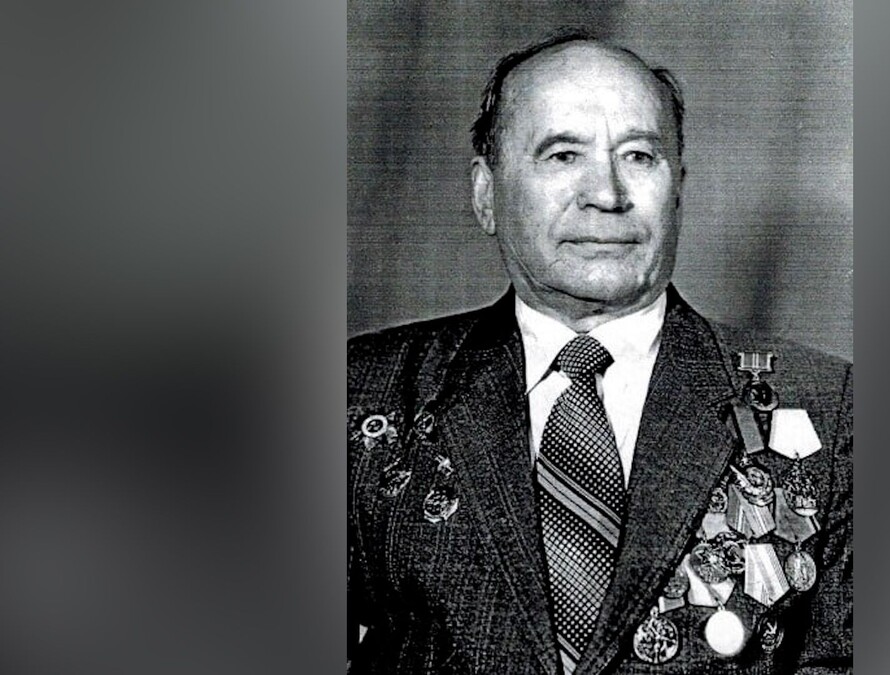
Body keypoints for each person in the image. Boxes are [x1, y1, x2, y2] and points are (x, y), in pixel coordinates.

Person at [348, 33, 852, 675]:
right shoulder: (361, 396)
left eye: (639, 156)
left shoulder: (831, 410)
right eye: (563, 155)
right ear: (486, 194)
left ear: (679, 188)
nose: (607, 194)